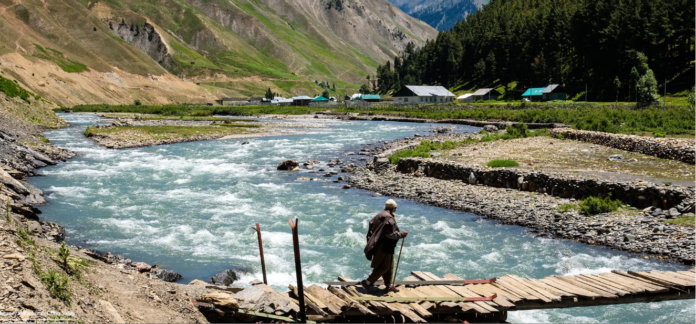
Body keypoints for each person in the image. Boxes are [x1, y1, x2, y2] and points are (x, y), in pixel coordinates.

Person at [361, 199, 408, 293]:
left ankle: (389, 285)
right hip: (384, 246)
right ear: (393, 208)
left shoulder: (380, 214)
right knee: (384, 267)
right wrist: (401, 235)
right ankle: (367, 282)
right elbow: (389, 234)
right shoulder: (389, 218)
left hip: (380, 244)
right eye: (395, 208)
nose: (395, 210)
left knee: (390, 266)